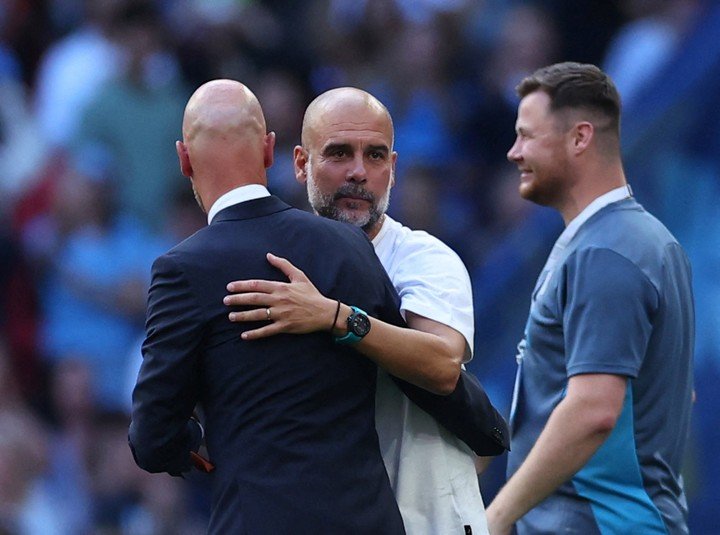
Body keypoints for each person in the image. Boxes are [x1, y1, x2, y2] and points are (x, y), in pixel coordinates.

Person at [128, 79, 414, 534]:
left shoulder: (182, 270)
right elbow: (413, 365)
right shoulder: (348, 244)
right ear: (269, 150)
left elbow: (152, 435)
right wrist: (488, 431)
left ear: (184, 159)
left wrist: (195, 441)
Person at [223, 87, 508, 534]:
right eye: (339, 154)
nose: (358, 172)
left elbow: (442, 365)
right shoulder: (271, 270)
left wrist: (336, 318)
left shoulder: (423, 257)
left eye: (375, 156)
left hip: (426, 522)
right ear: (300, 163)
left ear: (392, 170)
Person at [485, 62, 694, 534]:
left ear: (580, 138)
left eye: (526, 135)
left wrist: (495, 517)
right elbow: (671, 395)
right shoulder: (643, 239)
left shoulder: (607, 250)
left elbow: (594, 409)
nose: (513, 152)